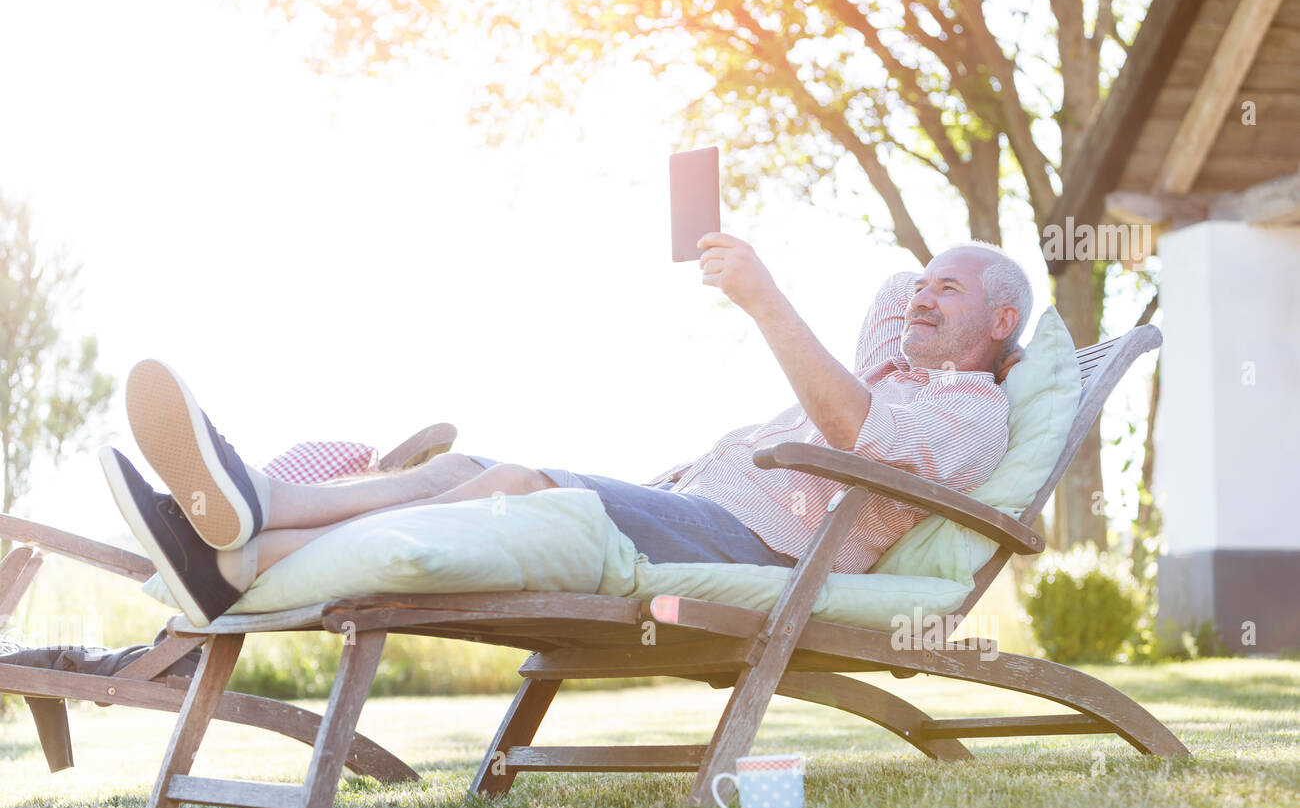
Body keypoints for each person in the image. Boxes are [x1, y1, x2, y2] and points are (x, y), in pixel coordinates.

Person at [100, 232, 1030, 626]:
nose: (920, 296)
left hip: (764, 547)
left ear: (1000, 325)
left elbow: (855, 434)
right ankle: (257, 503)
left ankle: (245, 563)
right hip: (693, 503)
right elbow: (889, 299)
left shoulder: (968, 414)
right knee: (465, 464)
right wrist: (933, 287)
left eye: (949, 289)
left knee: (521, 487)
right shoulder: (895, 361)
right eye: (924, 283)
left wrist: (764, 299)